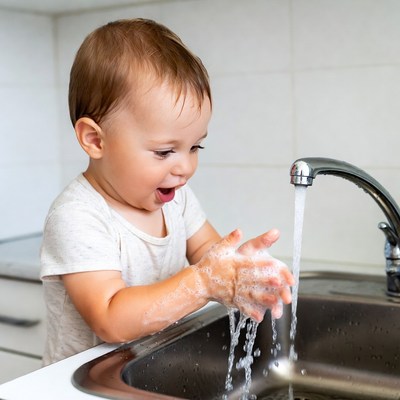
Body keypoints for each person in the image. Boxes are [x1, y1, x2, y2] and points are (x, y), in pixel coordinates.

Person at [40, 18, 294, 366]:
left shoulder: (176, 200)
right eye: (164, 152)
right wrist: (204, 283)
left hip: (144, 367)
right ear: (95, 140)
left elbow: (209, 256)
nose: (185, 167)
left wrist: (237, 270)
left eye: (195, 148)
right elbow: (110, 318)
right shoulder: (78, 216)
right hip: (80, 386)